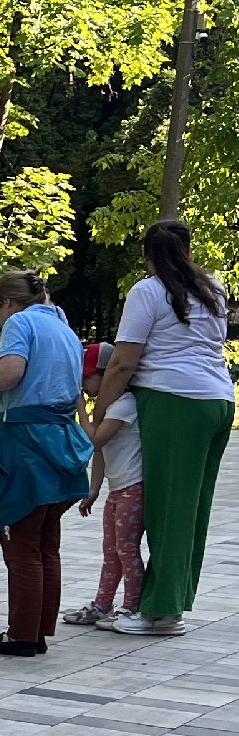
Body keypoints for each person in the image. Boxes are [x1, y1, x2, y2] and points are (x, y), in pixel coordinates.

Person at [95, 220, 232, 637]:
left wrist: (101, 408)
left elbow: (123, 361)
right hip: (218, 401)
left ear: (147, 253)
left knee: (168, 510)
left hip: (173, 403)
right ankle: (172, 597)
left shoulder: (148, 290)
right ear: (188, 249)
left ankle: (162, 611)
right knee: (192, 510)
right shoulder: (213, 287)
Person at [0, 270, 91, 656]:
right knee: (46, 543)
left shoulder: (21, 322)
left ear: (6, 303)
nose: (0, 318)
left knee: (21, 542)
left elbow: (11, 373)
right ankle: (38, 629)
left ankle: (22, 634)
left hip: (27, 442)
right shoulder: (65, 328)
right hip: (62, 441)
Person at [65, 343, 144, 630]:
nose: (84, 386)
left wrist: (81, 411)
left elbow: (95, 440)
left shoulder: (125, 404)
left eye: (87, 378)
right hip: (118, 490)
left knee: (126, 549)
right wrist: (94, 490)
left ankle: (132, 606)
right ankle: (102, 604)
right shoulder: (110, 406)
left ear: (107, 374)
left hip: (133, 488)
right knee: (110, 549)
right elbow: (101, 453)